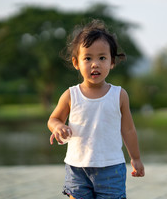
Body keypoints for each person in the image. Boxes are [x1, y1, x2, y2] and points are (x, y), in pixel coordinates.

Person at [47, 19, 145, 199]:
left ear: (112, 62)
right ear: (76, 62)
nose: (95, 64)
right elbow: (53, 119)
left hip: (111, 168)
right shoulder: (71, 95)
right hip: (77, 168)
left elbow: (128, 129)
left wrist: (136, 158)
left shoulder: (119, 95)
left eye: (102, 58)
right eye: (88, 58)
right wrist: (58, 127)